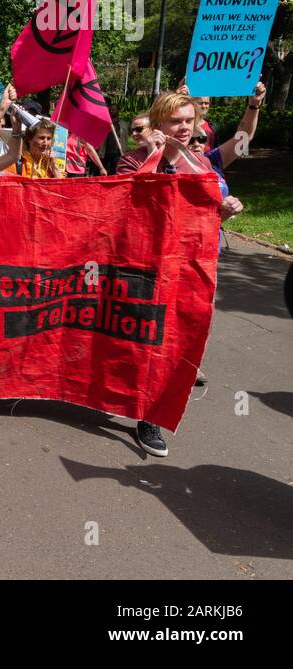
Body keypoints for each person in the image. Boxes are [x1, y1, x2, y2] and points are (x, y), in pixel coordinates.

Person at [113, 86, 256, 456]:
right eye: (175, 121)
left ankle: (150, 417)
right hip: (141, 266)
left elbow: (202, 214)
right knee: (132, 339)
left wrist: (222, 212)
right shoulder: (132, 159)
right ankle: (102, 390)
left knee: (169, 341)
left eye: (188, 121)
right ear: (159, 122)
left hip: (187, 268)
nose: (183, 127)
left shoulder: (204, 165)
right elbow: (129, 201)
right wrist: (156, 154)